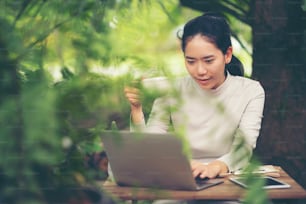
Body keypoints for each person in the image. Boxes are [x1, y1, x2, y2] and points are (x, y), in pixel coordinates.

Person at [124, 12, 265, 184]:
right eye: (191, 61)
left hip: (225, 176)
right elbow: (150, 147)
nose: (200, 71)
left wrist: (214, 167)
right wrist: (136, 110)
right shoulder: (172, 89)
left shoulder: (250, 91)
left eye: (208, 60)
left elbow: (244, 148)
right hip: (179, 175)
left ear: (227, 55)